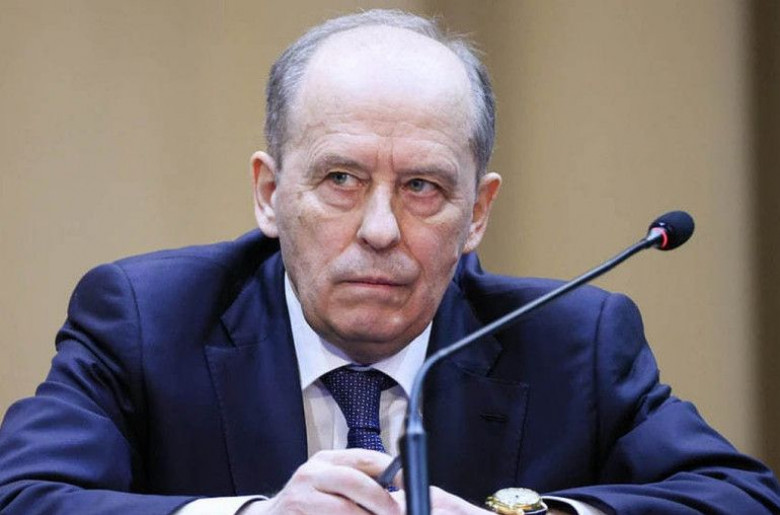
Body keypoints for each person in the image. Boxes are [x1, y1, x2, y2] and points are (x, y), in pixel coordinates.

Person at [0, 8, 778, 515]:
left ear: (478, 213)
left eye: (422, 187)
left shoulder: (575, 342)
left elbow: (743, 496)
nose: (379, 229)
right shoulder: (146, 320)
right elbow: (21, 495)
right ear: (269, 193)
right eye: (341, 179)